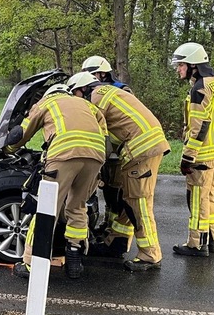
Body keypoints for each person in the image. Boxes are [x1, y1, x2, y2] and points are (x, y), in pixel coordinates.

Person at [68, 71, 171, 271]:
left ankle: (150, 255)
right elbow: (115, 131)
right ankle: (117, 242)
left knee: (138, 203)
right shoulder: (108, 91)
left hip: (141, 149)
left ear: (82, 89)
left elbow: (98, 135)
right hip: (146, 145)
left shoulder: (95, 99)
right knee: (128, 198)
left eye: (76, 96)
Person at [10, 83, 107, 279]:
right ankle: (74, 255)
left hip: (63, 154)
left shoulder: (47, 102)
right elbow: (104, 135)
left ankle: (30, 263)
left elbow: (23, 132)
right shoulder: (87, 105)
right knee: (77, 206)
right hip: (95, 156)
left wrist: (7, 150)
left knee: (47, 208)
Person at [170, 42, 214, 257]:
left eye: (181, 65)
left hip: (201, 156)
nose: (179, 69)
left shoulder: (199, 89)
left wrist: (187, 158)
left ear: (193, 65)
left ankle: (195, 243)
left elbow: (198, 127)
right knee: (209, 197)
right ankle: (211, 239)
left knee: (196, 200)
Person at [81, 56, 134, 250]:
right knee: (109, 192)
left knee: (120, 194)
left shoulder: (121, 90)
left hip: (121, 150)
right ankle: (109, 228)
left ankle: (118, 240)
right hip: (107, 152)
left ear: (102, 74)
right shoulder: (95, 93)